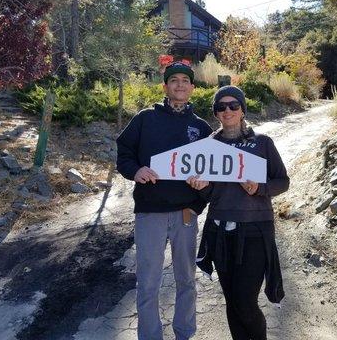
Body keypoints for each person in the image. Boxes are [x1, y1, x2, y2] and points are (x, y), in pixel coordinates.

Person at [116, 61, 212, 340]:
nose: (180, 84)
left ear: (192, 87)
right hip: (150, 214)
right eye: (174, 80)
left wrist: (198, 200)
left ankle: (184, 333)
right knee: (148, 283)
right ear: (165, 86)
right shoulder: (145, 119)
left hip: (185, 215)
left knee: (186, 281)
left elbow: (210, 175)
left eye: (185, 80)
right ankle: (150, 336)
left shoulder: (201, 128)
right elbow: (124, 154)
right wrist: (136, 170)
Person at [186, 85, 289, 340]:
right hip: (219, 230)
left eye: (234, 105)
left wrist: (259, 188)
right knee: (232, 300)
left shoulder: (262, 143)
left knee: (245, 301)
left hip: (255, 230)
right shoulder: (208, 146)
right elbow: (210, 195)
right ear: (216, 113)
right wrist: (201, 187)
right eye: (221, 107)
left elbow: (283, 181)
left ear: (242, 109)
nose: (228, 110)